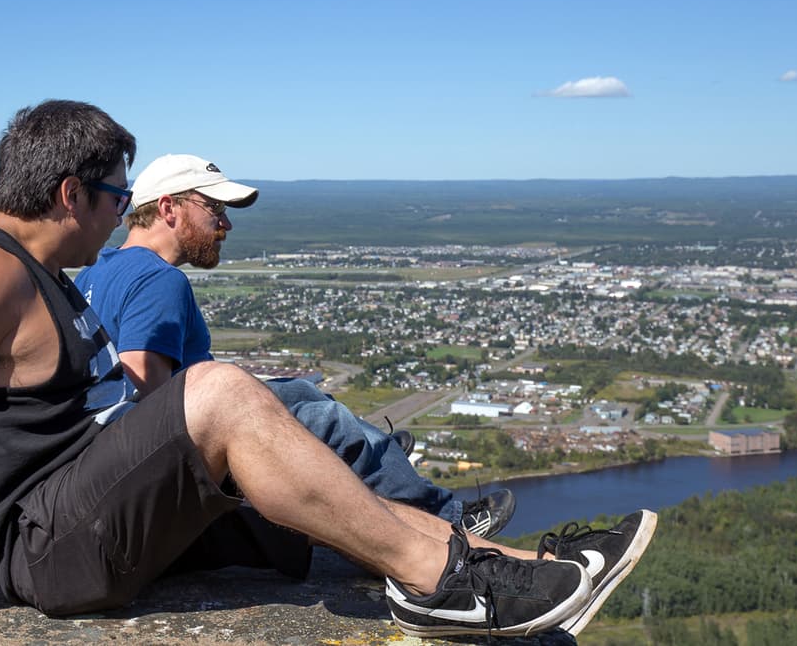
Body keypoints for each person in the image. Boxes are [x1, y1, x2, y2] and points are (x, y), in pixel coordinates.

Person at [0, 99, 654, 645]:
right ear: (69, 193)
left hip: (92, 507)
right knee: (223, 391)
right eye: (115, 194)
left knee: (299, 458)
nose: (122, 209)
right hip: (48, 544)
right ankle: (444, 583)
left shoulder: (47, 274)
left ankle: (495, 565)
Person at [74, 153, 514, 538]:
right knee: (319, 416)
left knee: (295, 390)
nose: (225, 224)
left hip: (107, 452)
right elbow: (146, 394)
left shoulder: (99, 268)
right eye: (215, 209)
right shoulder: (159, 279)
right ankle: (447, 517)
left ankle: (377, 456)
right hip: (168, 455)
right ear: (168, 208)